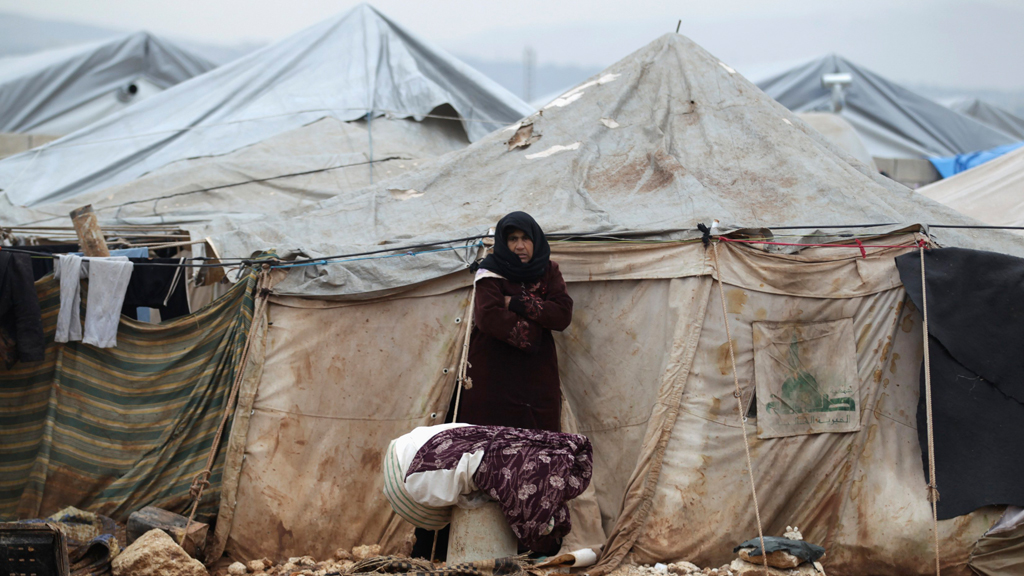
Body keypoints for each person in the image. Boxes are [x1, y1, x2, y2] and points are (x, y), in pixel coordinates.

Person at [459, 211, 573, 432]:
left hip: (537, 374)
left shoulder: (549, 270)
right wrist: (536, 330)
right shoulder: (490, 270)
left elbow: (562, 314)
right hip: (493, 372)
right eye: (512, 239)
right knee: (491, 443)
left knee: (537, 441)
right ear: (504, 242)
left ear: (535, 240)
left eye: (525, 238)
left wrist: (515, 302)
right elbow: (488, 316)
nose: (520, 246)